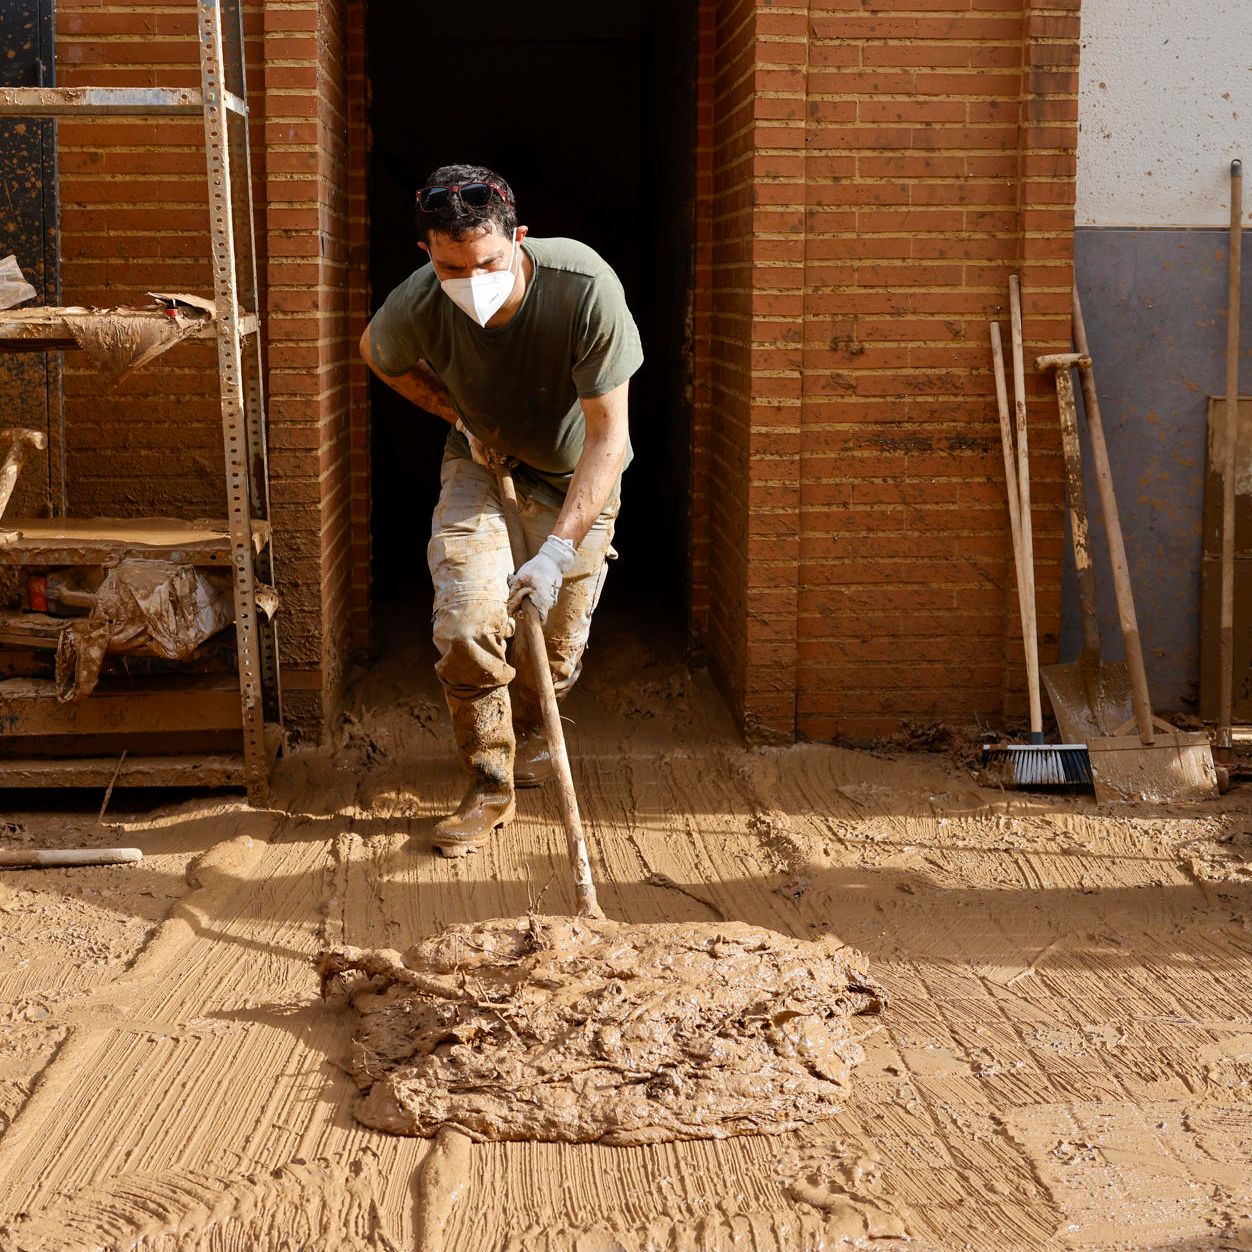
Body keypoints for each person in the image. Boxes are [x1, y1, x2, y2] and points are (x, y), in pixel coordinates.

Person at [360, 163, 643, 857]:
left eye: (488, 261)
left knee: (554, 650)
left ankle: (524, 727)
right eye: (453, 268)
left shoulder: (583, 287)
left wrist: (556, 551)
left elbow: (609, 440)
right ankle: (489, 781)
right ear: (428, 254)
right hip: (481, 465)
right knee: (464, 621)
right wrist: (458, 413)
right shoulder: (421, 301)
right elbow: (377, 354)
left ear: (518, 237)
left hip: (578, 477)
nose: (473, 280)